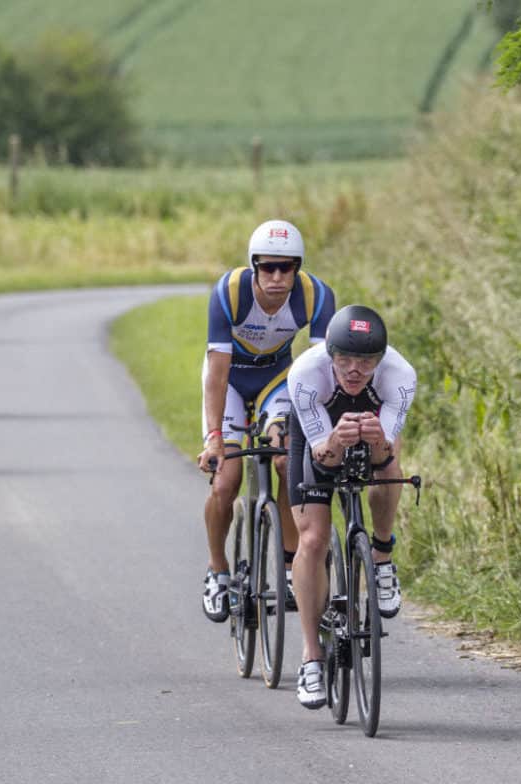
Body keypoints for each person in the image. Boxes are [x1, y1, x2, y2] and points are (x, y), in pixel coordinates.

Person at [195, 219, 336, 623]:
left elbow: (320, 370)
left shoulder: (316, 295)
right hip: (231, 382)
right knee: (226, 479)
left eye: (286, 267)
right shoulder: (229, 292)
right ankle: (217, 570)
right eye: (268, 267)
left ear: (298, 267)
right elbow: (217, 373)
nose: (277, 277)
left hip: (278, 378)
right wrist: (215, 438)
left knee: (285, 459)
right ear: (254, 266)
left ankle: (292, 565)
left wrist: (310, 428)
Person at [286, 305, 417, 708]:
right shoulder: (307, 376)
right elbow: (321, 458)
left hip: (371, 434)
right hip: (320, 439)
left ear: (380, 360)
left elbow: (384, 458)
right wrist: (337, 442)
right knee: (313, 539)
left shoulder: (400, 377)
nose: (355, 370)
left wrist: (378, 441)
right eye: (344, 359)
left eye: (365, 361)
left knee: (390, 466)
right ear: (330, 354)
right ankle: (311, 656)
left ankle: (381, 557)